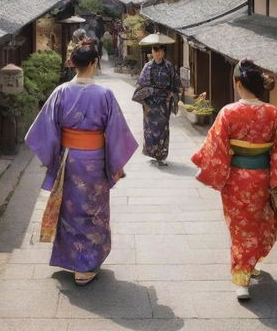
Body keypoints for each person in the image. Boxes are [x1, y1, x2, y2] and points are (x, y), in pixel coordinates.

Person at [191, 58, 277, 301]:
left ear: (237, 83)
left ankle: (242, 278)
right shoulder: (272, 113)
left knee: (240, 227)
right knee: (259, 223)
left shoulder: (228, 112)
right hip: (263, 178)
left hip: (235, 180)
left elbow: (216, 147)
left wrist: (206, 165)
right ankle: (250, 265)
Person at [25, 43, 138, 285]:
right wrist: (115, 163)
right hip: (95, 161)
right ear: (94, 63)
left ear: (73, 63)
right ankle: (86, 266)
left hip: (70, 160)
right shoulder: (105, 95)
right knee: (93, 212)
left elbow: (44, 130)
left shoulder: (61, 92)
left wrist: (52, 159)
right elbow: (117, 132)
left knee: (71, 210)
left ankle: (74, 261)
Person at [133, 44, 181, 167]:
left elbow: (176, 83)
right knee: (149, 129)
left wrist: (172, 93)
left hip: (163, 102)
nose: (157, 53)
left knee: (163, 129)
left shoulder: (168, 66)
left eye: (160, 51)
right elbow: (141, 84)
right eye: (155, 51)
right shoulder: (147, 66)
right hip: (149, 102)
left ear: (163, 52)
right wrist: (146, 96)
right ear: (152, 52)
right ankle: (152, 153)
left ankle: (161, 156)